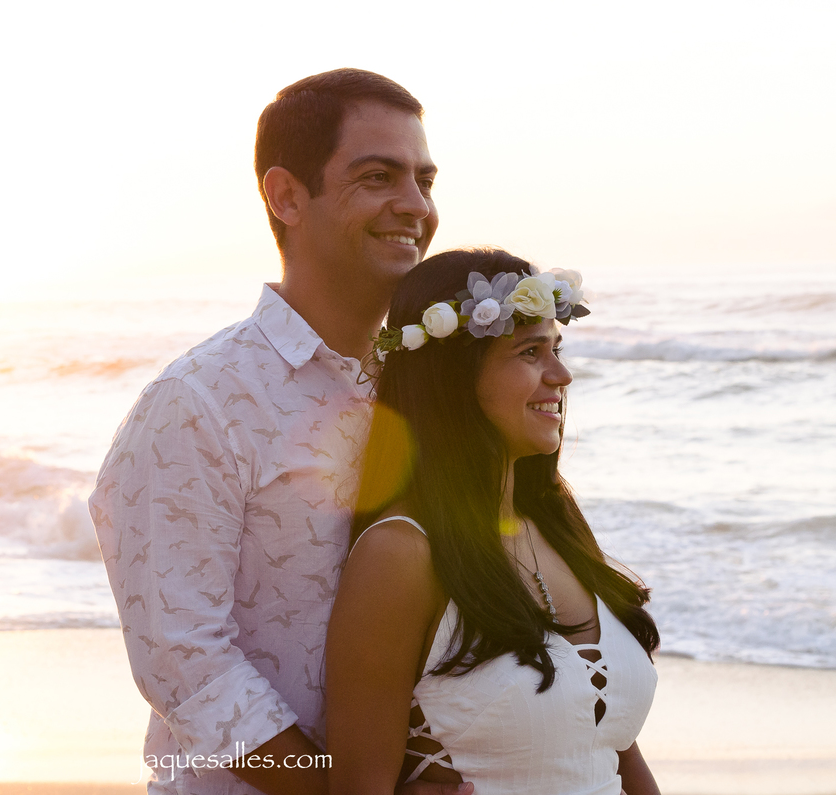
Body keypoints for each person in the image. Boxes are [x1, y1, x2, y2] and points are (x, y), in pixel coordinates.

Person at [89, 69, 464, 794]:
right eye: (379, 176)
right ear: (286, 195)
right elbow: (185, 662)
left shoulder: (428, 387)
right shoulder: (195, 404)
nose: (416, 206)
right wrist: (342, 789)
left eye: (425, 179)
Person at [325, 248, 662, 795]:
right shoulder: (400, 554)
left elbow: (614, 749)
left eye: (557, 347)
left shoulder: (556, 525)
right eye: (531, 352)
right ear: (454, 377)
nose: (562, 374)